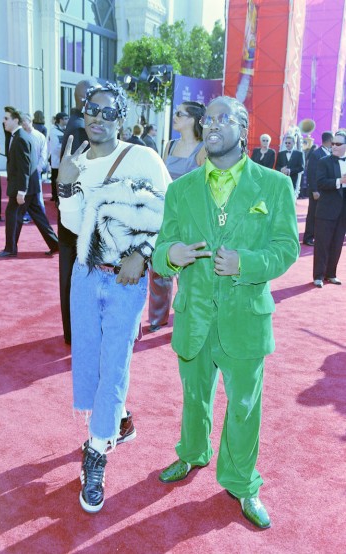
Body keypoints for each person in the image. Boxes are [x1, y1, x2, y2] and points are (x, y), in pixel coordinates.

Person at [152, 95, 299, 529]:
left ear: (243, 128)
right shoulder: (180, 190)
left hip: (245, 317)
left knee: (244, 405)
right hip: (194, 315)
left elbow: (287, 248)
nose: (212, 124)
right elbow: (160, 250)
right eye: (207, 118)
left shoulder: (273, 186)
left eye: (223, 118)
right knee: (193, 397)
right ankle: (192, 453)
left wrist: (247, 265)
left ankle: (242, 482)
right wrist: (171, 254)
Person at [57, 82, 171, 514]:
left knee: (115, 362)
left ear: (121, 120)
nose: (98, 118)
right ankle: (118, 419)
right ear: (83, 112)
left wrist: (142, 255)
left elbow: (167, 209)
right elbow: (71, 224)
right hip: (85, 276)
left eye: (108, 112)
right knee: (87, 359)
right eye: (92, 110)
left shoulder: (142, 158)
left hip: (125, 279)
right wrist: (65, 185)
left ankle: (97, 451)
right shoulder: (77, 162)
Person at [148, 101, 206, 332]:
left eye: (180, 114)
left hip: (190, 219)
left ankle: (188, 318)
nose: (175, 117)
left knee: (188, 273)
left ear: (192, 119)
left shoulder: (203, 149)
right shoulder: (169, 145)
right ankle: (157, 318)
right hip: (164, 216)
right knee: (159, 267)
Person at [58, 78, 98, 345]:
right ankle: (77, 331)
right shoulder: (82, 129)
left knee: (70, 270)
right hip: (78, 213)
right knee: (77, 272)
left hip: (70, 212)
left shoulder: (74, 124)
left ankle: (73, 331)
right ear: (85, 100)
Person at [0, 106, 58, 258]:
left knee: (12, 214)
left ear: (16, 120)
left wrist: (22, 190)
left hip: (24, 187)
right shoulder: (19, 136)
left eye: (7, 118)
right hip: (30, 185)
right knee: (38, 216)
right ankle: (55, 244)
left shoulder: (21, 138)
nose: (4, 121)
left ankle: (10, 248)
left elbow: (24, 167)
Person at [313, 130, 346, 288]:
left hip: (343, 212)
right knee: (322, 244)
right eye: (333, 143)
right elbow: (321, 183)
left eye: (338, 144)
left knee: (337, 244)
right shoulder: (324, 161)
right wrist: (340, 180)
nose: (334, 146)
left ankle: (331, 274)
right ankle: (318, 276)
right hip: (326, 211)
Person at [303, 131, 333, 246]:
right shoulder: (317, 154)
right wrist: (314, 190)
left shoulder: (329, 153)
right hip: (316, 190)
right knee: (312, 214)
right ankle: (308, 237)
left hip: (325, 190)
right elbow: (311, 173)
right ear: (329, 140)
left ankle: (316, 236)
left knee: (321, 214)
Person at [21, 112, 48, 210]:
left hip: (36, 170)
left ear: (30, 121)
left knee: (38, 194)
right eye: (21, 122)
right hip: (24, 170)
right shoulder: (20, 135)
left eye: (24, 122)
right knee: (24, 193)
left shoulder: (39, 136)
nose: (23, 124)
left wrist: (39, 167)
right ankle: (26, 214)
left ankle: (41, 213)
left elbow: (43, 154)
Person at [49, 112, 69, 201]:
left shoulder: (67, 129)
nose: (67, 120)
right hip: (57, 159)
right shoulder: (54, 131)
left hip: (65, 159)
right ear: (60, 120)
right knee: (55, 178)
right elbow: (55, 147)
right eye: (65, 118)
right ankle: (55, 195)